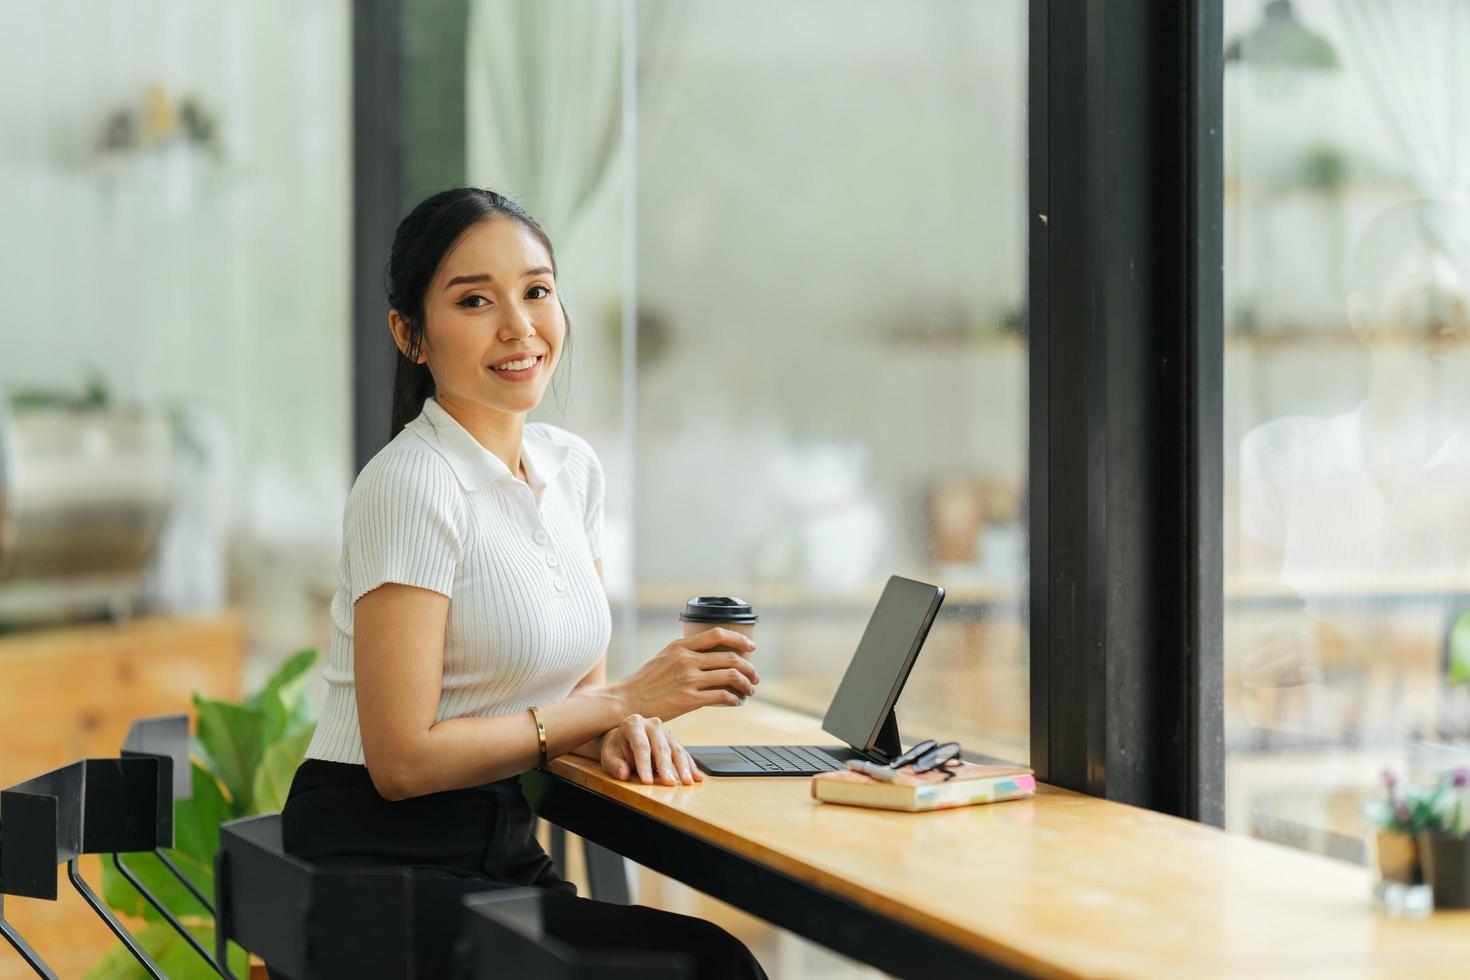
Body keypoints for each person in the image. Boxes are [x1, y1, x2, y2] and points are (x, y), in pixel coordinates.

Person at [277, 187, 768, 978]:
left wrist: (619, 726)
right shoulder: (410, 484)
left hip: (498, 847)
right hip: (377, 866)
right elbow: (399, 763)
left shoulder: (574, 469)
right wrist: (618, 705)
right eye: (475, 300)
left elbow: (583, 690)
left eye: (537, 290)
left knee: (707, 958)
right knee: (706, 965)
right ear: (411, 334)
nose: (519, 326)